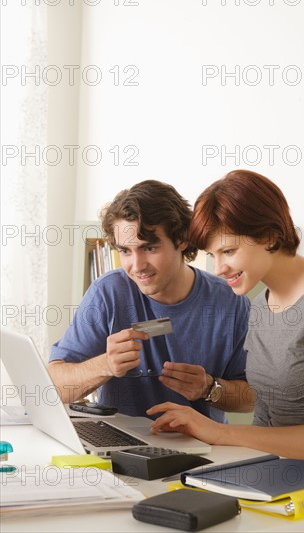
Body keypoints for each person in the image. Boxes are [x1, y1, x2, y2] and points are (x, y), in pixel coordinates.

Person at [147, 170, 304, 475]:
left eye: (229, 251)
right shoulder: (260, 305)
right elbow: (265, 420)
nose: (219, 268)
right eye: (212, 254)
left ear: (268, 235)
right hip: (276, 477)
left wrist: (220, 432)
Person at [48, 180, 253, 422]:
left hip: (202, 452)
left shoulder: (230, 302)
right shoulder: (108, 293)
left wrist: (209, 388)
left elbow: (252, 396)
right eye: (125, 251)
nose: (137, 266)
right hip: (119, 449)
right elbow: (54, 387)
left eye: (150, 248)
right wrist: (106, 365)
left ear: (183, 240)